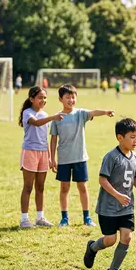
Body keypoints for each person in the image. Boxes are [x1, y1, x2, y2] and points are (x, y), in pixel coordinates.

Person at [83, 118, 136, 270]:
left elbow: (135, 177)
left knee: (127, 237)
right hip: (109, 207)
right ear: (120, 137)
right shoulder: (111, 157)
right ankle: (92, 247)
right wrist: (117, 195)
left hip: (127, 207)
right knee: (110, 240)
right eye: (132, 137)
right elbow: (102, 180)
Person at [50, 84, 115, 227]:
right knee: (64, 188)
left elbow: (93, 112)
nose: (71, 100)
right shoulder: (57, 117)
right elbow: (53, 139)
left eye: (73, 97)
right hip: (64, 158)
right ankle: (64, 218)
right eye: (68, 97)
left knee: (83, 187)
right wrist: (52, 157)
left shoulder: (80, 113)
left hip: (80, 157)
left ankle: (87, 217)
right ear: (61, 99)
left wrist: (105, 112)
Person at [18, 87, 64, 228]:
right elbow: (37, 123)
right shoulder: (27, 113)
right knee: (28, 187)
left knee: (40, 187)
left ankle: (40, 218)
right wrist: (53, 117)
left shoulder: (44, 114)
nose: (43, 100)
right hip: (30, 152)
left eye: (44, 98)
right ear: (31, 99)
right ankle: (24, 220)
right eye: (40, 97)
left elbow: (45, 138)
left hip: (43, 154)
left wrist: (50, 158)